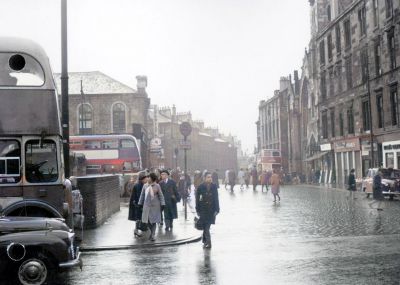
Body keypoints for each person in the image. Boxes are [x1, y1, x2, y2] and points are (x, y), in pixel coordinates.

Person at [138, 172, 165, 241]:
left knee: (154, 221)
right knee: (148, 221)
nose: (148, 178)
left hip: (155, 207)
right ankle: (152, 233)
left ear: (152, 179)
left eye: (149, 177)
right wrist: (140, 203)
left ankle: (152, 235)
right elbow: (142, 196)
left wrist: (163, 204)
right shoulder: (145, 186)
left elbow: (161, 196)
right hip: (147, 206)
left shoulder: (157, 186)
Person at [196, 172, 220, 249]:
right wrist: (198, 209)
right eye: (208, 177)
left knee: (207, 226)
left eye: (211, 177)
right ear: (204, 178)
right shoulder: (200, 187)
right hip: (203, 209)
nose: (210, 178)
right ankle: (208, 242)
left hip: (211, 210)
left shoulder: (214, 186)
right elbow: (198, 199)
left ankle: (204, 240)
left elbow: (216, 198)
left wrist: (217, 209)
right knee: (206, 226)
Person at [128, 172, 148, 237]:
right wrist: (140, 205)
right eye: (145, 178)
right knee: (138, 218)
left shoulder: (142, 185)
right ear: (142, 179)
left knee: (139, 218)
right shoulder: (138, 186)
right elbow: (139, 196)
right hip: (138, 205)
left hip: (138, 204)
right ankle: (136, 230)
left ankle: (139, 229)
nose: (147, 179)